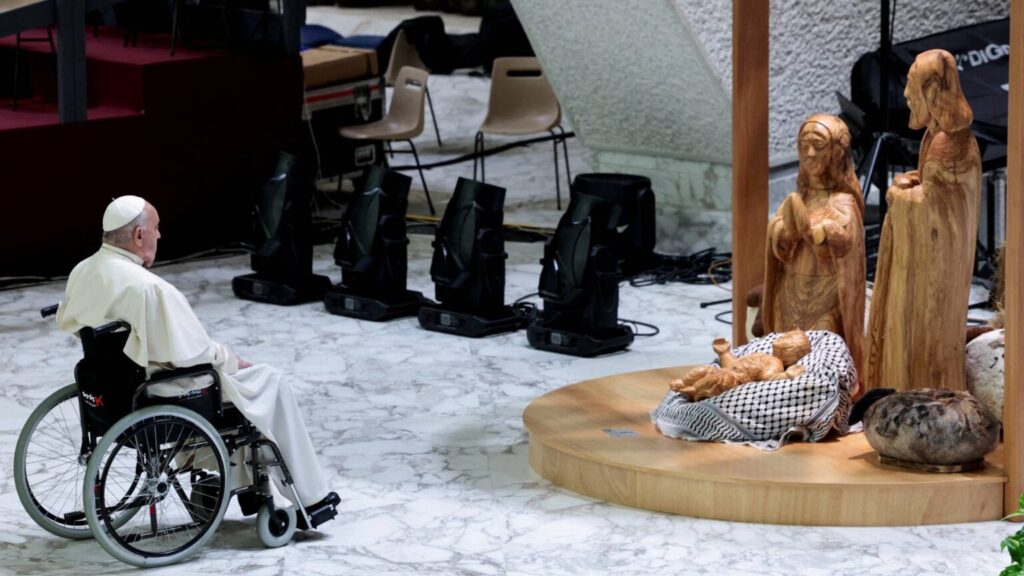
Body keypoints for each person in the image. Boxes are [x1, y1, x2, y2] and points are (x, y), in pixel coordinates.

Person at [57, 195, 338, 526]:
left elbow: (72, 322)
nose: (159, 235)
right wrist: (232, 359)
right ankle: (311, 499)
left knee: (247, 391)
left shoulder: (82, 271)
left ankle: (231, 480)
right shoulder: (148, 288)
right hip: (161, 390)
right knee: (270, 382)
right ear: (138, 236)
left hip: (112, 389)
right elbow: (192, 355)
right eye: (156, 228)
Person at [864, 49, 981, 393]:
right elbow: (936, 185)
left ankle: (925, 396)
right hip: (927, 261)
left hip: (936, 270)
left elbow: (936, 205)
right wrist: (913, 182)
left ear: (931, 91)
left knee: (926, 335)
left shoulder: (949, 142)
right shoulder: (937, 135)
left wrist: (899, 194)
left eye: (910, 85)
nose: (904, 94)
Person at [762, 114, 865, 388]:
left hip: (827, 297)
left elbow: (846, 245)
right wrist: (784, 233)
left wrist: (818, 232)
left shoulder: (844, 201)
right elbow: (779, 237)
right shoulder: (801, 197)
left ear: (836, 152)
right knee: (783, 353)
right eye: (803, 146)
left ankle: (822, 407)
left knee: (821, 358)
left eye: (818, 146)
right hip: (791, 292)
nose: (809, 154)